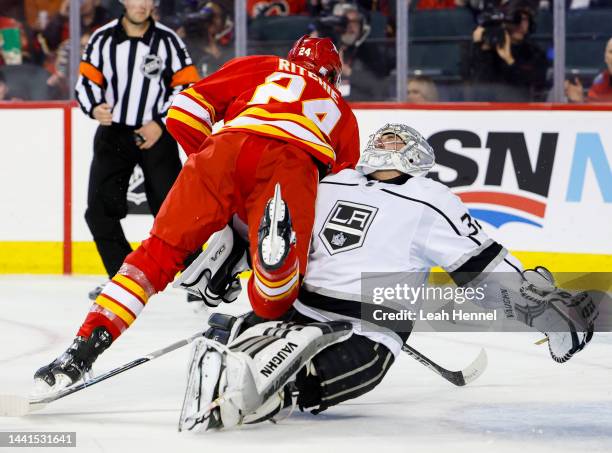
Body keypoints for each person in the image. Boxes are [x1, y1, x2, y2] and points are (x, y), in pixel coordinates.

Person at [173, 122, 598, 430]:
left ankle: (274, 387)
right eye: (386, 137)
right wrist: (230, 249)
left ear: (417, 158)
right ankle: (238, 363)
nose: (391, 142)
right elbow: (276, 231)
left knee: (322, 372)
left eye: (400, 139)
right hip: (297, 308)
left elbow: (480, 267)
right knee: (241, 334)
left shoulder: (428, 198)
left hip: (365, 326)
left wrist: (535, 303)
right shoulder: (332, 181)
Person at [33, 35, 360, 393]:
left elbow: (183, 112)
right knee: (278, 290)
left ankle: (82, 349)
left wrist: (210, 174)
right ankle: (270, 261)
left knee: (154, 257)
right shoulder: (343, 113)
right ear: (333, 76)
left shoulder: (263, 65)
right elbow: (338, 195)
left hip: (225, 147)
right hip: (292, 166)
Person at [73, 0, 200, 299]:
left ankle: (202, 279)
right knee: (98, 212)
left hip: (157, 135)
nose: (141, 4)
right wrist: (94, 108)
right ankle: (124, 280)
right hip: (114, 135)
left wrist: (161, 122)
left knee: (176, 213)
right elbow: (87, 83)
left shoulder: (168, 40)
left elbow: (187, 86)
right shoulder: (102, 38)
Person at [462, 0, 548, 101]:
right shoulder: (490, 48)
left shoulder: (534, 54)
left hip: (522, 111)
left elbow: (532, 88)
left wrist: (509, 60)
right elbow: (476, 86)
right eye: (516, 19)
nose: (521, 25)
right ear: (505, 22)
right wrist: (478, 47)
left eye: (525, 20)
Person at [565, 37, 612, 103]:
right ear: (605, 57)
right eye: (611, 52)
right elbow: (594, 109)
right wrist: (580, 102)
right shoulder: (602, 82)